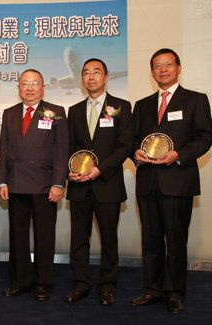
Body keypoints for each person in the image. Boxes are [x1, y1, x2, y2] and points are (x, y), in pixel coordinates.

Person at [131, 48, 212, 314]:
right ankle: (152, 289)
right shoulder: (142, 105)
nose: (163, 70)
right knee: (151, 239)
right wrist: (136, 154)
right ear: (152, 71)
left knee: (176, 239)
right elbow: (132, 140)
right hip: (147, 181)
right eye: (157, 66)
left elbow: (204, 137)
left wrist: (179, 155)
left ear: (179, 67)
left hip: (178, 180)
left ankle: (174, 291)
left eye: (168, 64)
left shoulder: (195, 100)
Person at [65, 58, 133, 306]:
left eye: (96, 72)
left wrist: (99, 169)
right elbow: (69, 148)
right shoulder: (73, 111)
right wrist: (70, 170)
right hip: (79, 185)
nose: (91, 76)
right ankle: (81, 283)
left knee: (108, 238)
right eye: (86, 73)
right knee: (79, 239)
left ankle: (107, 285)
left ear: (107, 77)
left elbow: (124, 145)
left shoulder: (122, 107)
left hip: (107, 184)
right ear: (81, 79)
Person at [0, 69, 68, 301]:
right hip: (16, 183)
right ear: (18, 88)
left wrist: (59, 183)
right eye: (24, 83)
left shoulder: (56, 112)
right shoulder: (9, 113)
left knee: (44, 235)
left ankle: (44, 282)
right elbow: (4, 149)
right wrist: (3, 181)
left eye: (34, 83)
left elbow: (61, 151)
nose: (29, 88)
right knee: (18, 236)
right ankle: (21, 280)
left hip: (45, 185)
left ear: (43, 87)